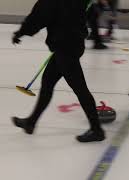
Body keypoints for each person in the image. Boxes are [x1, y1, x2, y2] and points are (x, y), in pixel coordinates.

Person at [11, 0, 106, 142]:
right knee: (47, 83)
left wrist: (20, 33)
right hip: (73, 44)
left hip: (64, 47)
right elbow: (91, 12)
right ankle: (30, 123)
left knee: (80, 88)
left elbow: (37, 18)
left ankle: (97, 130)